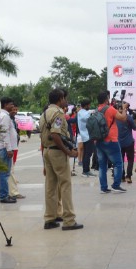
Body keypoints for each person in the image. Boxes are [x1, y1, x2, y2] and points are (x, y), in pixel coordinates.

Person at [41, 89, 81, 231]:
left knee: (50, 186)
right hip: (57, 152)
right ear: (60, 99)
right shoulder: (58, 113)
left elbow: (44, 136)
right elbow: (56, 134)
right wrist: (68, 152)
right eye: (64, 98)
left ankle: (50, 218)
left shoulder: (45, 113)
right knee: (65, 184)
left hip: (47, 151)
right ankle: (69, 220)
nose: (65, 101)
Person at [95, 90, 128, 193]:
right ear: (106, 99)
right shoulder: (110, 109)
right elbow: (123, 118)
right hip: (111, 140)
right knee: (118, 163)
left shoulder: (97, 110)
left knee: (102, 165)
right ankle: (116, 185)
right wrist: (124, 108)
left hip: (99, 141)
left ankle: (103, 187)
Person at [0, 97, 18, 203]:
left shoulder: (2, 115)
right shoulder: (5, 117)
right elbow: (5, 133)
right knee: (5, 173)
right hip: (5, 149)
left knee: (4, 173)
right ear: (5, 105)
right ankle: (4, 196)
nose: (12, 106)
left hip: (3, 147)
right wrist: (9, 149)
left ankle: (4, 193)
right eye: (10, 104)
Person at [6, 104, 26, 199]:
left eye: (16, 109)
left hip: (14, 147)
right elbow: (4, 134)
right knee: (10, 170)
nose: (15, 111)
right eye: (13, 109)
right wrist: (9, 148)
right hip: (10, 148)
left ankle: (7, 189)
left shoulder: (13, 120)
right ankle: (13, 192)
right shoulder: (7, 119)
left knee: (11, 169)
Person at [117, 107, 136, 183]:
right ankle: (128, 176)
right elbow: (135, 128)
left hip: (119, 142)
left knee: (121, 160)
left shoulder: (116, 118)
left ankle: (122, 176)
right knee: (130, 159)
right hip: (129, 142)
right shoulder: (128, 118)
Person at [76, 99, 96, 176]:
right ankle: (86, 170)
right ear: (86, 105)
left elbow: (89, 112)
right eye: (89, 105)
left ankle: (86, 169)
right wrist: (92, 112)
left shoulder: (81, 112)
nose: (89, 106)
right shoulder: (83, 113)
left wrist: (92, 111)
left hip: (86, 136)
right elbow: (87, 116)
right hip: (87, 136)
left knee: (86, 154)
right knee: (88, 154)